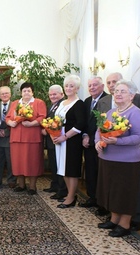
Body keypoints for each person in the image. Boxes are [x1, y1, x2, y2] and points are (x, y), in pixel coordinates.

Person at [98, 72, 140, 231]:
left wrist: (118, 141)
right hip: (108, 158)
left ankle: (125, 223)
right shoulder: (110, 112)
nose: (118, 94)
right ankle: (114, 219)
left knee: (125, 192)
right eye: (116, 91)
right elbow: (99, 131)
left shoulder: (135, 112)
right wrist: (97, 143)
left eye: (123, 91)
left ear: (132, 95)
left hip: (127, 161)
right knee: (112, 190)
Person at [5, 82, 47, 194]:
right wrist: (10, 122)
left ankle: (32, 186)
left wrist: (32, 123)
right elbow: (8, 117)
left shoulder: (38, 103)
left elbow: (43, 117)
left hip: (32, 137)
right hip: (16, 137)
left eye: (29, 90)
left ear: (32, 92)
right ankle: (21, 184)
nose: (26, 93)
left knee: (32, 161)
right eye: (24, 91)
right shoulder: (15, 103)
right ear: (21, 92)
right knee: (18, 161)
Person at [53, 75, 86, 208]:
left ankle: (71, 197)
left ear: (77, 88)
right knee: (63, 169)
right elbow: (55, 121)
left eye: (71, 86)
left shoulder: (79, 104)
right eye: (66, 85)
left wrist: (65, 136)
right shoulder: (62, 103)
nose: (68, 88)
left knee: (71, 170)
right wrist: (53, 134)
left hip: (71, 142)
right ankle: (69, 194)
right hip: (60, 140)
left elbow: (80, 124)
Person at [80, 76, 108, 213]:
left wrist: (92, 138)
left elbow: (105, 124)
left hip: (103, 144)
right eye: (90, 85)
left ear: (102, 86)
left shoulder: (108, 100)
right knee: (90, 172)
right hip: (88, 143)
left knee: (101, 174)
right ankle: (92, 198)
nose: (92, 87)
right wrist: (85, 136)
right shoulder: (87, 101)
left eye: (95, 85)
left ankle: (103, 203)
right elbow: (84, 122)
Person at [42, 85, 67, 200]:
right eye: (51, 94)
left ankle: (61, 190)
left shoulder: (62, 105)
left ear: (61, 94)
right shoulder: (50, 106)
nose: (52, 96)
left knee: (60, 166)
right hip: (51, 140)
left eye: (55, 94)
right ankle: (55, 185)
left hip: (59, 140)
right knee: (54, 165)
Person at [0, 86, 16, 188]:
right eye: (2, 93)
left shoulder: (15, 105)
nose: (4, 95)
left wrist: (7, 131)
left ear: (10, 94)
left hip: (10, 137)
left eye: (6, 93)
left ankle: (11, 180)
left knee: (10, 160)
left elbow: (17, 120)